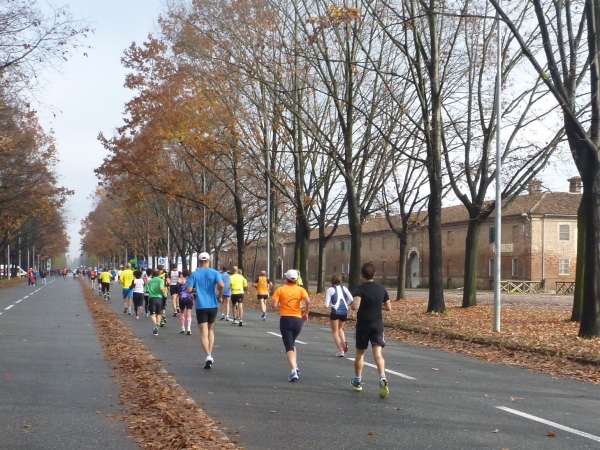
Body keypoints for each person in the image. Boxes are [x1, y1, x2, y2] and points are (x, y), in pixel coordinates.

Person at [350, 262, 392, 398]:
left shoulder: (359, 289)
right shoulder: (381, 289)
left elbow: (356, 305)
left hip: (363, 326)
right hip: (377, 325)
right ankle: (382, 377)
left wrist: (354, 305)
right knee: (378, 354)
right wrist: (376, 306)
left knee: (360, 353)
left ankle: (357, 381)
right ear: (375, 274)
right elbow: (388, 307)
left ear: (362, 275)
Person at [271, 269, 311, 382]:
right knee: (292, 343)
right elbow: (308, 301)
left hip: (286, 320)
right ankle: (295, 366)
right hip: (298, 320)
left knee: (288, 346)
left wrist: (280, 303)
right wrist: (306, 313)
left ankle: (293, 371)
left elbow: (274, 305)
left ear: (286, 278)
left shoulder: (280, 290)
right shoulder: (301, 290)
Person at [186, 252, 224, 369]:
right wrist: (220, 296)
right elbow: (221, 285)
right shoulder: (215, 273)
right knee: (211, 330)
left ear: (199, 261)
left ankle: (207, 356)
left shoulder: (195, 274)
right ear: (209, 260)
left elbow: (188, 290)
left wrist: (196, 290)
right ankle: (210, 354)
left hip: (201, 305)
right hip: (213, 305)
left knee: (203, 332)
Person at [325, 274, 353, 357]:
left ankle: (341, 351)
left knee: (335, 332)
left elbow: (326, 304)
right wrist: (346, 304)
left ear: (332, 280)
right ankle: (344, 342)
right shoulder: (344, 288)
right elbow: (351, 299)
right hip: (344, 311)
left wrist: (330, 305)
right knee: (340, 328)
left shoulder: (330, 290)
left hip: (335, 311)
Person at [145, 269, 167, 336]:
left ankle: (155, 324)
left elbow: (145, 290)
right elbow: (161, 288)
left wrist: (151, 291)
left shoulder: (149, 281)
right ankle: (157, 328)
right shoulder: (161, 281)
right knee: (159, 314)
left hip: (152, 298)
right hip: (159, 298)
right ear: (159, 274)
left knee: (152, 314)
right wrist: (164, 294)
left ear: (152, 274)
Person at [178, 269, 194, 335]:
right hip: (190, 297)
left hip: (182, 297)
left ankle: (182, 327)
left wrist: (179, 292)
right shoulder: (190, 280)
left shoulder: (181, 279)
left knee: (182, 312)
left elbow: (177, 286)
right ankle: (189, 328)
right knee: (189, 313)